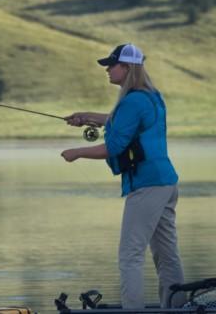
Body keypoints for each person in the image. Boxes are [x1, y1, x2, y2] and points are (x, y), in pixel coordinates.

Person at [61, 43, 184, 309]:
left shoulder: (133, 100)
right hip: (166, 183)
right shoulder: (150, 96)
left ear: (126, 68)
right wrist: (87, 116)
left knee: (130, 256)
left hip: (147, 185)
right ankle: (177, 308)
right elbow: (122, 119)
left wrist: (77, 152)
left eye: (111, 64)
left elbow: (114, 147)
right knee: (167, 256)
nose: (107, 69)